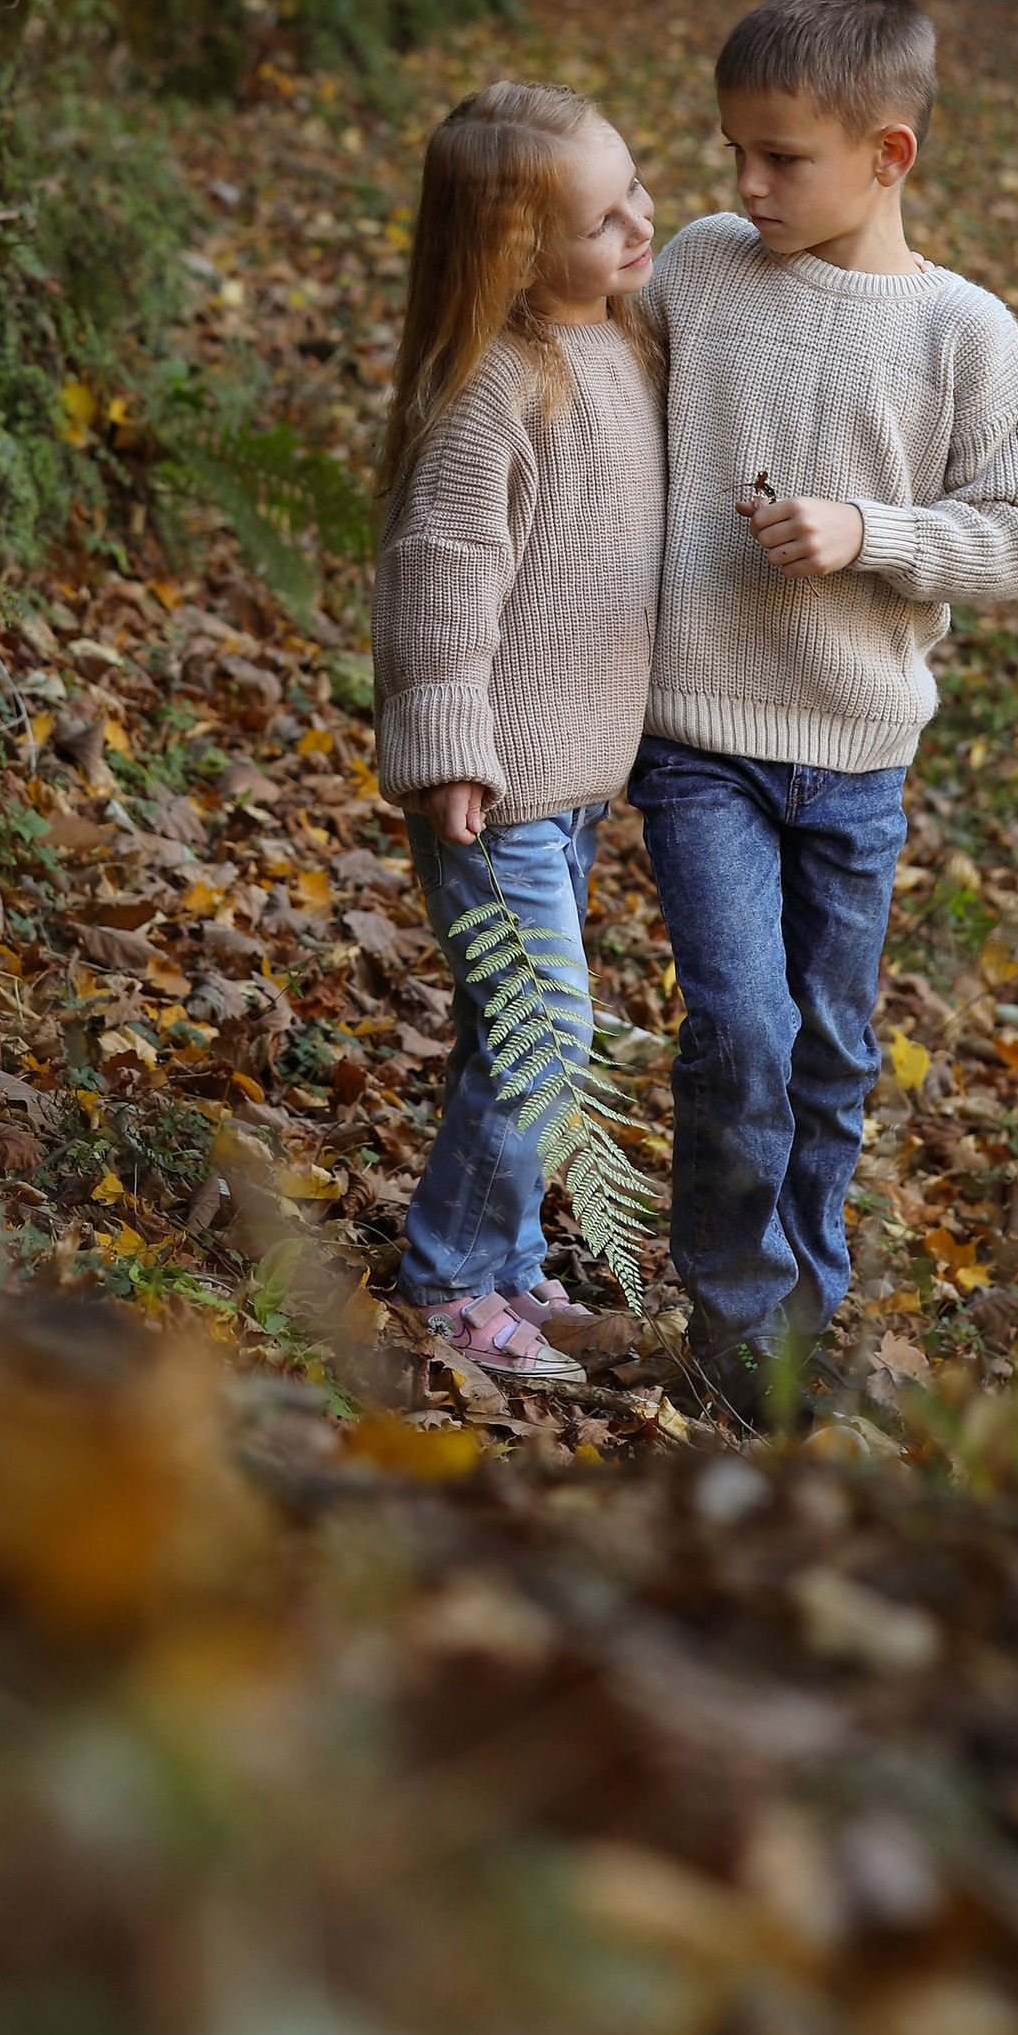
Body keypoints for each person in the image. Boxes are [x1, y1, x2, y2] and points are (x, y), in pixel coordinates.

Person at [629, 0, 1018, 1427]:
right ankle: (739, 1327)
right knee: (738, 1027)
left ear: (890, 156)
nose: (746, 182)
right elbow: (588, 374)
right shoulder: (695, 264)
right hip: (699, 737)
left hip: (859, 754)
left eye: (782, 157)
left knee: (830, 1045)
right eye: (732, 148)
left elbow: (1013, 536)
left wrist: (871, 534)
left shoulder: (965, 337)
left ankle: (805, 1308)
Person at [371, 81, 665, 1390]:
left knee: (518, 1032)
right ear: (517, 254)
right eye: (608, 217)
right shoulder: (492, 390)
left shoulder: (619, 340)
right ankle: (448, 1277)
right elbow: (441, 576)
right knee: (547, 1033)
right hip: (494, 789)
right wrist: (446, 745)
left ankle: (497, 1261)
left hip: (577, 786)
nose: (642, 223)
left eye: (637, 191)